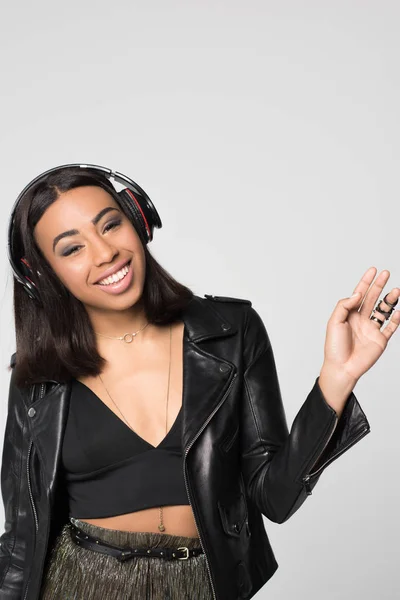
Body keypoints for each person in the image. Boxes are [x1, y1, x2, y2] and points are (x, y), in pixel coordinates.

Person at [1, 164, 399, 600]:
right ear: (41, 273)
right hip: (79, 584)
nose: (104, 253)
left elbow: (276, 498)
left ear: (138, 219)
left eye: (110, 225)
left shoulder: (231, 332)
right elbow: (23, 535)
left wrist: (336, 379)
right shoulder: (39, 377)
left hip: (202, 584)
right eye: (72, 248)